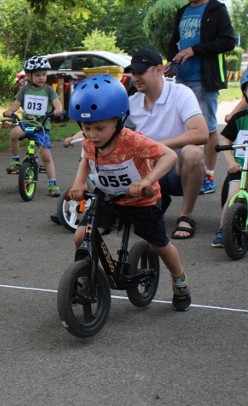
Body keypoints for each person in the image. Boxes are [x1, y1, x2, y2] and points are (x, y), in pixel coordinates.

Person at [67, 74, 191, 312]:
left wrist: (147, 180)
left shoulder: (133, 141)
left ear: (118, 121)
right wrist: (79, 183)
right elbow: (87, 159)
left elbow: (169, 155)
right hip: (108, 199)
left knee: (159, 246)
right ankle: (84, 279)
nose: (92, 134)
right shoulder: (89, 141)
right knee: (81, 236)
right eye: (86, 127)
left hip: (142, 201)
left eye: (100, 127)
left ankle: (180, 281)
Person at [126, 48, 208, 239]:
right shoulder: (132, 101)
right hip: (149, 170)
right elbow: (113, 130)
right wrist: (83, 132)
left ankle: (185, 216)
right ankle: (154, 202)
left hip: (177, 171)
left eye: (141, 72)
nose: (135, 77)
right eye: (133, 72)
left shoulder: (181, 93)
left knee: (193, 153)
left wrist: (158, 147)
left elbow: (202, 132)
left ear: (159, 70)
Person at [166, 0, 236, 195]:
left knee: (208, 128)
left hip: (204, 79)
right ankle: (183, 172)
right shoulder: (183, 11)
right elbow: (175, 42)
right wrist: (172, 63)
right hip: (182, 78)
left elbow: (228, 41)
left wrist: (194, 50)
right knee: (183, 127)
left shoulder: (216, 9)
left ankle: (209, 176)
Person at [3, 56, 63, 197]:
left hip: (41, 126)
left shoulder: (48, 90)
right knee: (13, 134)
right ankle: (16, 160)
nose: (41, 78)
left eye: (44, 74)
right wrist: (9, 111)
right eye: (37, 75)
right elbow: (16, 104)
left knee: (46, 157)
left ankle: (53, 183)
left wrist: (58, 110)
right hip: (26, 123)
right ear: (28, 76)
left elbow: (57, 103)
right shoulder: (25, 90)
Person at [211, 70, 248, 247]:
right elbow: (226, 139)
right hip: (242, 168)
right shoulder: (240, 118)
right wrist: (232, 162)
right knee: (232, 194)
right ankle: (222, 229)